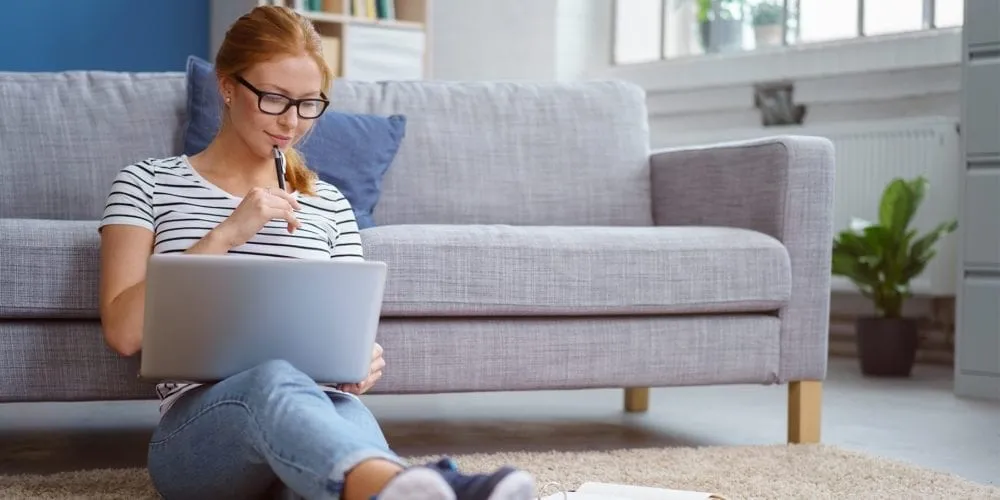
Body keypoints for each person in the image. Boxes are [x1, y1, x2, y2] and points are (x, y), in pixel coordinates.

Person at [97, 5, 536, 500]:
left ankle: (407, 490)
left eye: (309, 104)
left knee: (346, 417)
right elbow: (124, 332)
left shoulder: (328, 203)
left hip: (317, 417)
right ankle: (445, 488)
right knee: (271, 379)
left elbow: (348, 332)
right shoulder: (147, 183)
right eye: (274, 99)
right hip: (200, 436)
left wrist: (358, 363)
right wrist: (225, 235)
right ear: (227, 86)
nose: (292, 122)